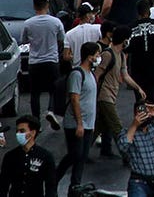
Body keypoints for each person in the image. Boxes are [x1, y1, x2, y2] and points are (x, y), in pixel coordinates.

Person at [95, 23, 145, 158]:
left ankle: (82, 153)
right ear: (124, 40)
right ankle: (127, 155)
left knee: (100, 127)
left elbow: (125, 75)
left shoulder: (121, 55)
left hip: (111, 95)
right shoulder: (108, 54)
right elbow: (97, 75)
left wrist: (138, 87)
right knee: (117, 127)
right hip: (104, 97)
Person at [57, 41, 99, 191]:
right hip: (76, 124)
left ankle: (75, 186)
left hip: (89, 123)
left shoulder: (91, 74)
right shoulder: (77, 74)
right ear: (89, 57)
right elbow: (74, 99)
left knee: (81, 157)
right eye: (96, 55)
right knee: (75, 154)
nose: (98, 58)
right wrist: (79, 123)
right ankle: (54, 178)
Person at [20, 0, 65, 120]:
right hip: (52, 60)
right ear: (47, 5)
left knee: (35, 92)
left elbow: (23, 41)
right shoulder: (56, 22)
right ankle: (51, 110)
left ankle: (36, 120)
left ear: (34, 6)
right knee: (54, 88)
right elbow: (62, 39)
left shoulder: (28, 23)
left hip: (34, 61)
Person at [116, 103, 154, 197]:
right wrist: (134, 125)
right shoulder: (128, 132)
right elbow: (122, 147)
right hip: (138, 182)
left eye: (145, 112)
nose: (144, 115)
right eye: (140, 113)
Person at [0, 116, 56, 197]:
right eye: (17, 131)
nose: (18, 134)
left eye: (22, 131)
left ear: (33, 133)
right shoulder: (10, 157)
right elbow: (3, 185)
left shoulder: (45, 157)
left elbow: (51, 186)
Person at [126, 0, 154, 104]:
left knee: (140, 100)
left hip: (138, 70)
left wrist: (124, 70)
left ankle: (140, 119)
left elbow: (126, 51)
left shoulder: (131, 28)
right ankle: (152, 119)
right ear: (149, 11)